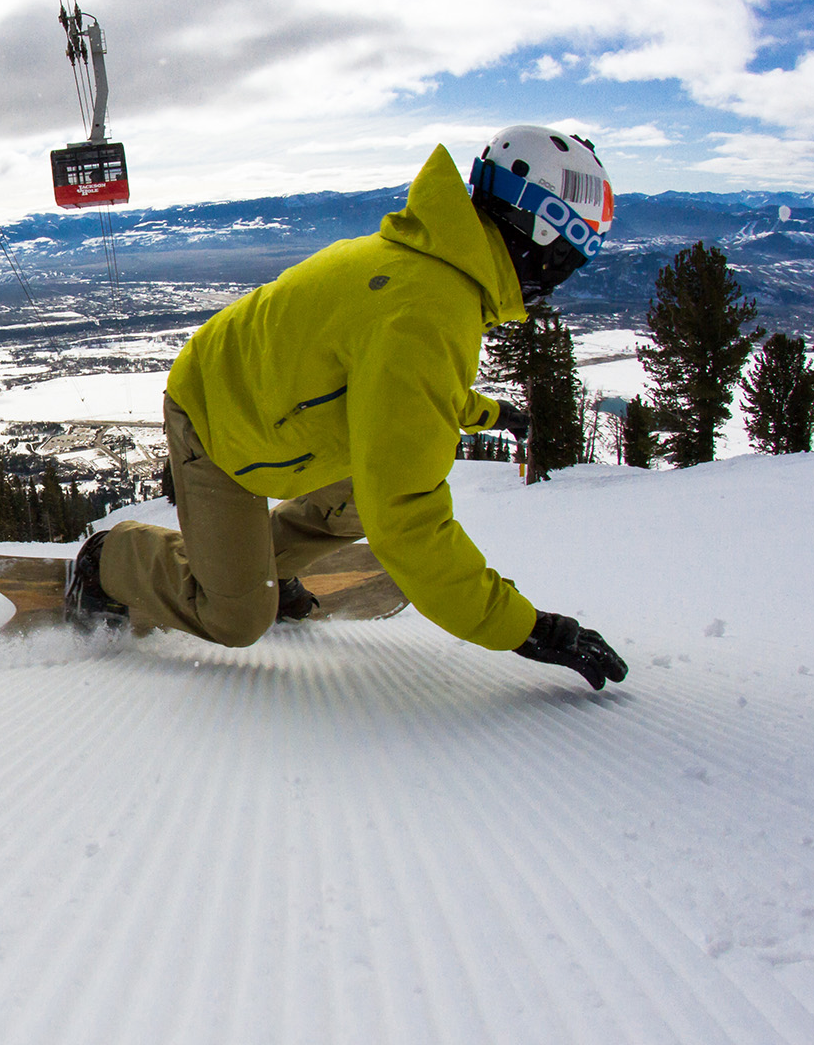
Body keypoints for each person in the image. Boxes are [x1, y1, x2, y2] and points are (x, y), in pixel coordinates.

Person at [68, 125, 630, 690]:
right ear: (546, 236)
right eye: (573, 256)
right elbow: (407, 521)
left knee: (359, 500)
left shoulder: (437, 264)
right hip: (218, 419)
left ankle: (265, 568)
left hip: (274, 416)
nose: (564, 278)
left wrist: (485, 413)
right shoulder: (431, 308)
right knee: (236, 618)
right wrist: (528, 628)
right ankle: (109, 558)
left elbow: (398, 388)